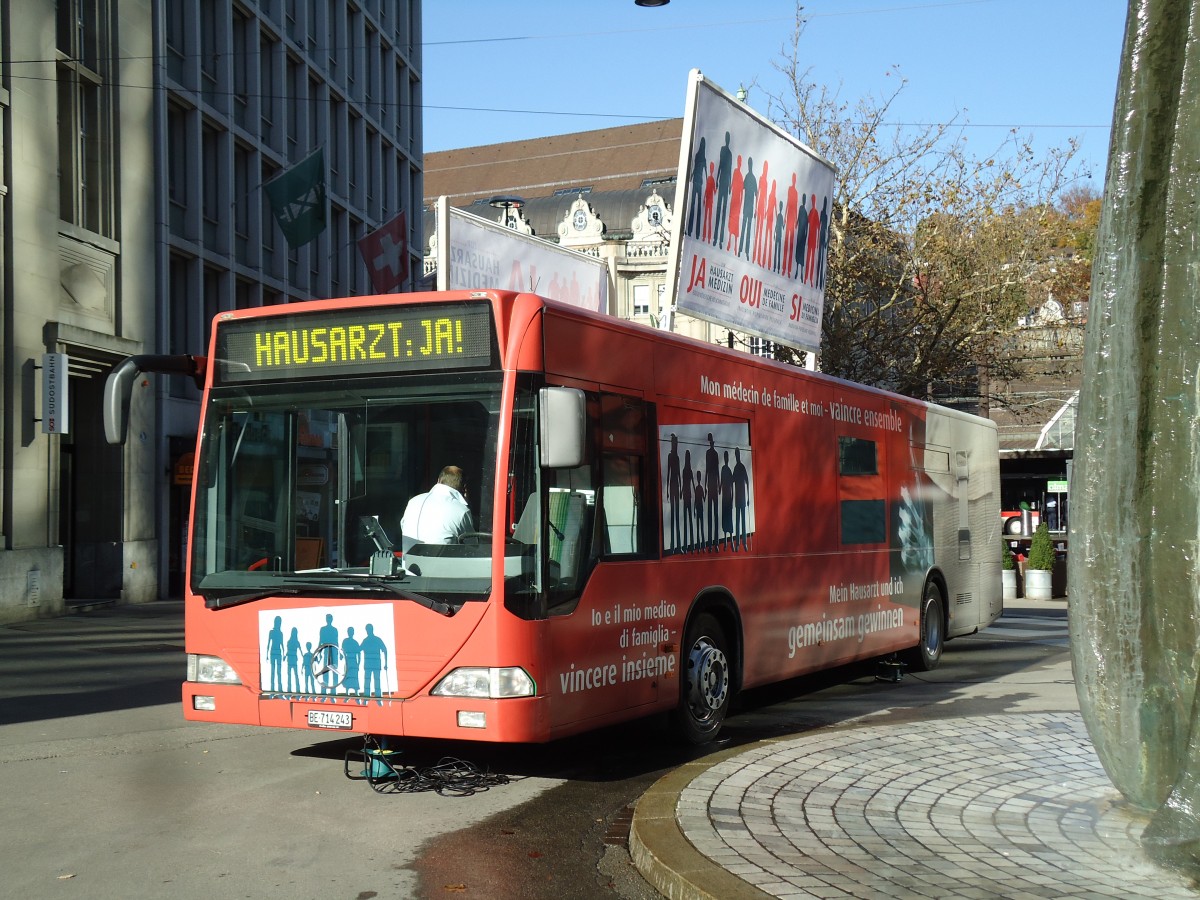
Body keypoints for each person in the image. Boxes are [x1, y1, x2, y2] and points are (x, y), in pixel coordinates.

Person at [400, 465, 473, 551]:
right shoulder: (461, 510)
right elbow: (471, 547)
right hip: (442, 563)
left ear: (438, 481)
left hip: (409, 562)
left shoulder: (413, 501)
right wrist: (466, 503)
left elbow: (403, 527)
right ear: (464, 488)